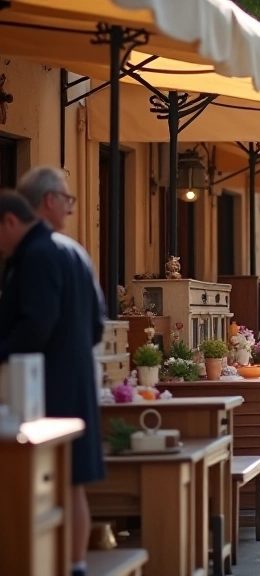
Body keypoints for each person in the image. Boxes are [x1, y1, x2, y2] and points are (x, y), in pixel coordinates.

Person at [0, 190, 105, 576]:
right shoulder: (74, 250)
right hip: (76, 379)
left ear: (10, 221)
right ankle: (75, 564)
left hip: (41, 387)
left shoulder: (36, 255)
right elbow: (97, 324)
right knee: (73, 480)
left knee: (39, 482)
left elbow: (36, 324)